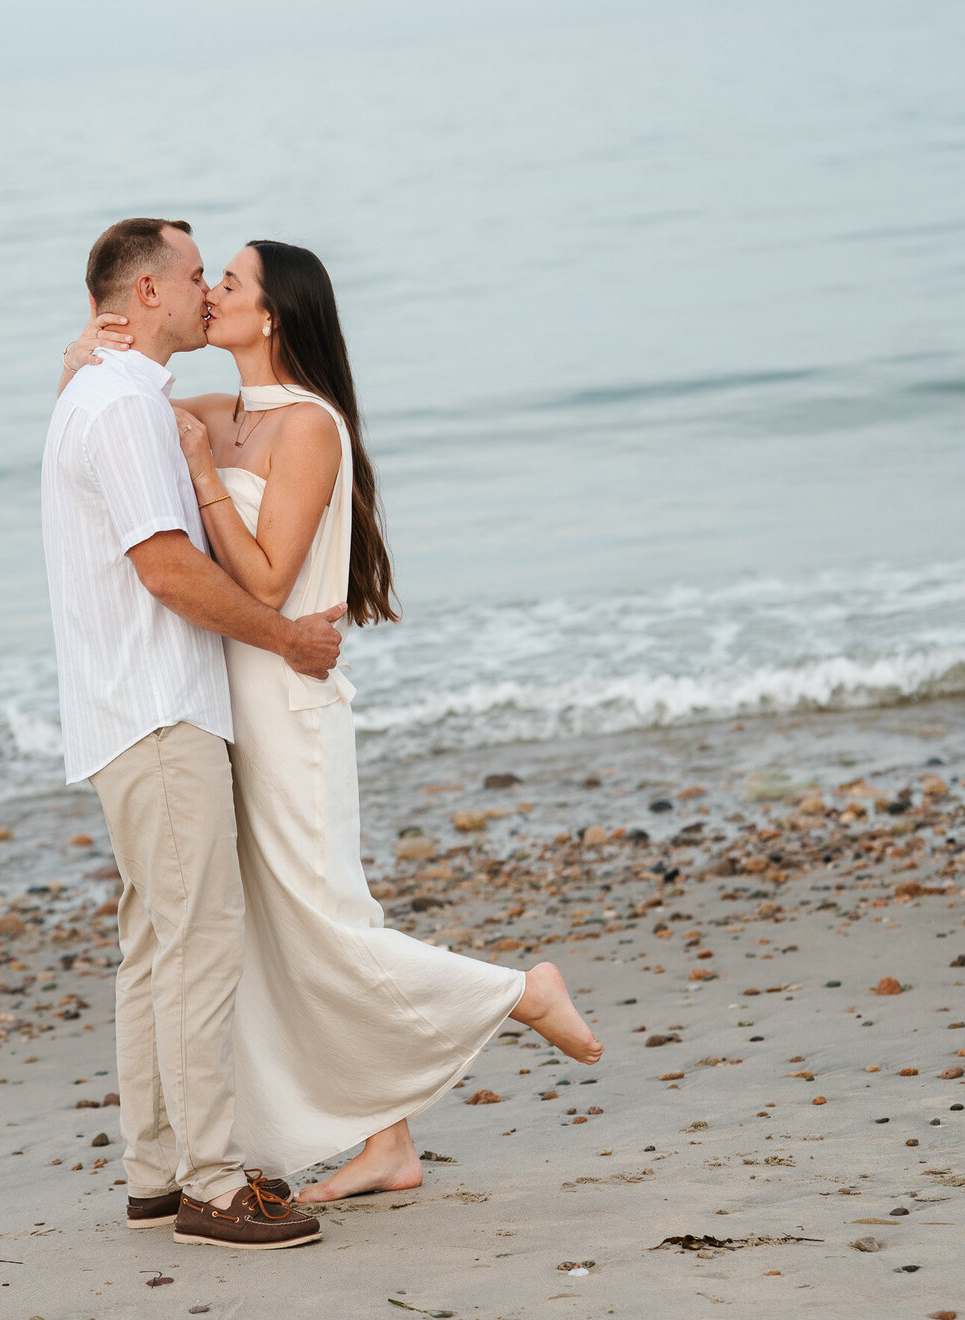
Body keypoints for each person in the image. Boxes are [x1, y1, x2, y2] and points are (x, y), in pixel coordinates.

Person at [62, 235, 603, 1203]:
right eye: (206, 278)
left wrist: (203, 475)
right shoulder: (215, 411)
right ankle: (386, 1142)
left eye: (230, 282)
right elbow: (119, 412)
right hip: (226, 699)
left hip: (288, 701)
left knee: (327, 921)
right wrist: (82, 357)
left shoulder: (309, 425)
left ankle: (520, 992)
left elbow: (268, 580)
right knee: (290, 933)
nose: (211, 293)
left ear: (272, 315)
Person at [42, 216, 348, 1250]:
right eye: (192, 274)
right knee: (199, 942)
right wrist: (288, 639)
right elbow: (169, 570)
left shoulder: (106, 394)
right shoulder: (124, 406)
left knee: (154, 944)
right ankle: (212, 1187)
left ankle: (157, 1172)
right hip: (159, 711)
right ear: (147, 294)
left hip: (125, 711)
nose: (204, 291)